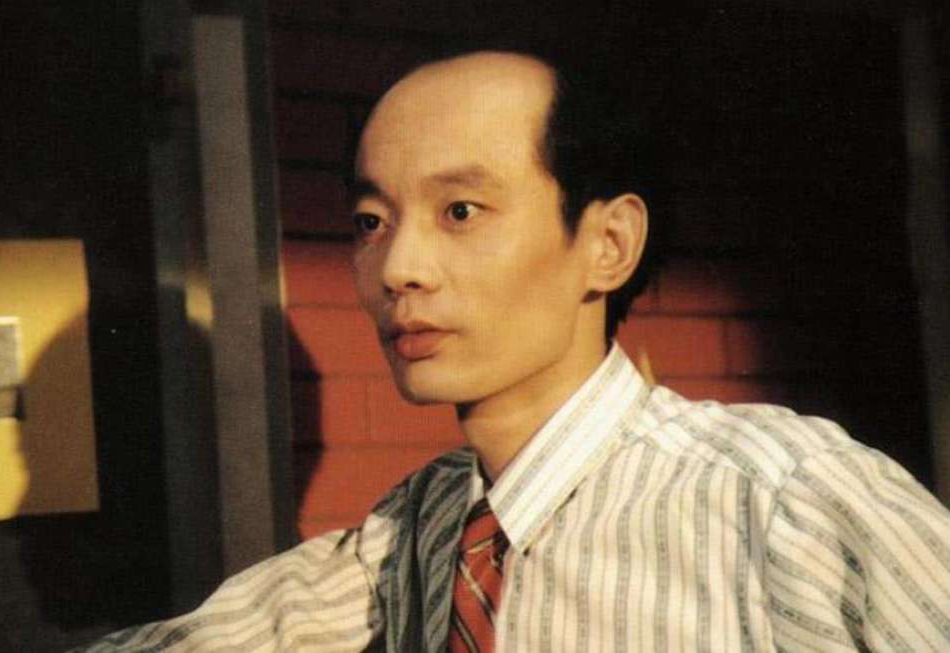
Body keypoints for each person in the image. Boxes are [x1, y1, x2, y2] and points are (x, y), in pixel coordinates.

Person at [76, 49, 950, 652]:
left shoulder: (787, 501)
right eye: (371, 221)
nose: (399, 267)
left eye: (460, 211)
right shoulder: (418, 530)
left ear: (607, 244)